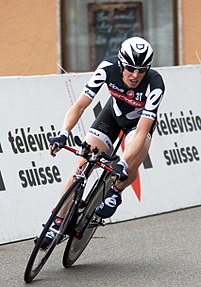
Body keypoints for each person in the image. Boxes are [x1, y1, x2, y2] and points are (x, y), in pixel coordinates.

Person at [41, 36, 165, 249]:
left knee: (133, 158)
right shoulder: (107, 69)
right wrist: (63, 132)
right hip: (112, 116)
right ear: (120, 63)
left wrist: (123, 164)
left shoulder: (155, 83)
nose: (135, 75)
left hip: (138, 125)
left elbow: (143, 130)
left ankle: (115, 192)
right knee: (80, 165)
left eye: (141, 70)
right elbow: (80, 105)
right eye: (130, 68)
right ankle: (56, 224)